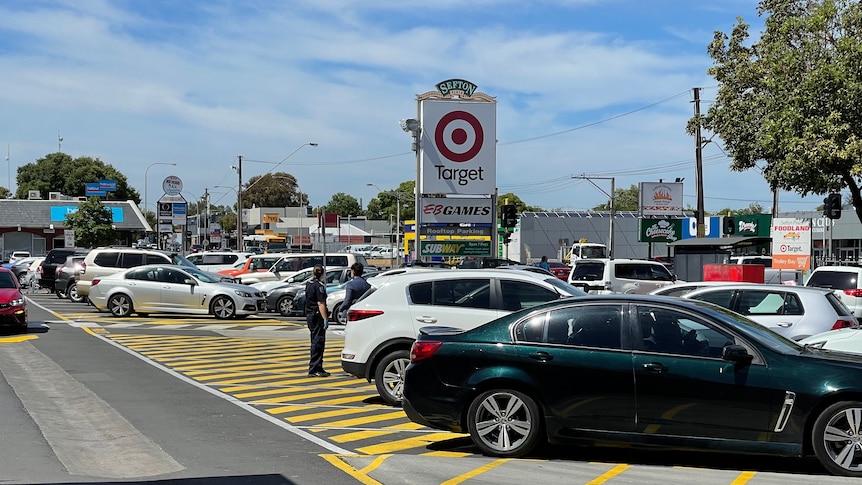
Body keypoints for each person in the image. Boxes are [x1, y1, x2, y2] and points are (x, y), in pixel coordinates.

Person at [304, 264, 330, 377]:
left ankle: (318, 366)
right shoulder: (319, 286)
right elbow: (321, 303)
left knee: (315, 341)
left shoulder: (308, 284)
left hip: (310, 314)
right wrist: (325, 318)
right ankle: (314, 368)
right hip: (316, 316)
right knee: (318, 342)